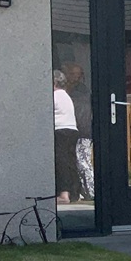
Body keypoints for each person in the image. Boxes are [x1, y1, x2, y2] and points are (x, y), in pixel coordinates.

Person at [62, 63, 94, 201]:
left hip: (82, 130)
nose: (74, 77)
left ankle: (91, 191)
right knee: (75, 162)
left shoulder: (81, 92)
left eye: (77, 74)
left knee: (83, 161)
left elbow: (82, 112)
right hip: (74, 130)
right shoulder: (70, 90)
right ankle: (80, 190)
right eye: (71, 74)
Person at [52, 70, 79, 204]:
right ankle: (74, 193)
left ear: (54, 82)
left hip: (60, 130)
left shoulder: (54, 96)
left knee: (60, 162)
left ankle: (63, 194)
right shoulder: (66, 96)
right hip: (71, 129)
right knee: (70, 161)